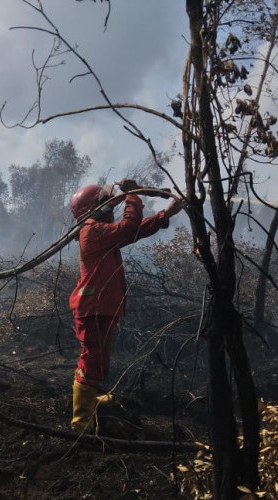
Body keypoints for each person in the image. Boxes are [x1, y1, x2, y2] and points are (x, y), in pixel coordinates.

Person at [68, 179, 183, 432]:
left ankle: (89, 400)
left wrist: (166, 214)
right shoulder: (92, 230)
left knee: (98, 359)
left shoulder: (99, 231)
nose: (110, 208)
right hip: (93, 307)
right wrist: (132, 196)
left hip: (100, 306)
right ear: (93, 210)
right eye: (104, 204)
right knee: (92, 360)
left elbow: (134, 231)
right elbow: (129, 226)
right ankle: (81, 420)